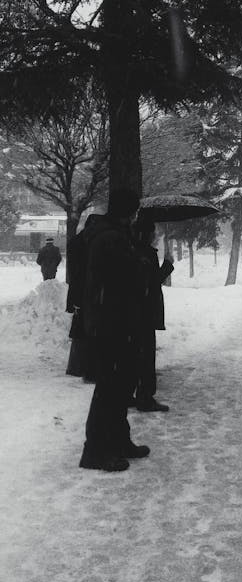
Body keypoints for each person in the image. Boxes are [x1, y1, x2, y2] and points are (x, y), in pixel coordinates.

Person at [79, 188, 149, 472]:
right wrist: (142, 264)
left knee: (120, 386)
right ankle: (95, 450)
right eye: (134, 213)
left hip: (117, 322)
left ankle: (118, 440)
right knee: (110, 388)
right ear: (128, 213)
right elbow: (124, 280)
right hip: (113, 324)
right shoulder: (111, 239)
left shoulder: (115, 236)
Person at [132, 216, 174, 412]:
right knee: (146, 357)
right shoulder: (144, 253)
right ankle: (145, 397)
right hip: (144, 313)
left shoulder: (132, 249)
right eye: (153, 233)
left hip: (135, 313)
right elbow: (150, 282)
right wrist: (167, 266)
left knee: (134, 356)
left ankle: (131, 394)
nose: (155, 236)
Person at [65, 214, 102, 381]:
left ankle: (77, 367)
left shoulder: (77, 241)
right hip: (89, 291)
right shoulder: (92, 242)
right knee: (89, 330)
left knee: (81, 329)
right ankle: (88, 368)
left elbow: (74, 270)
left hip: (79, 291)